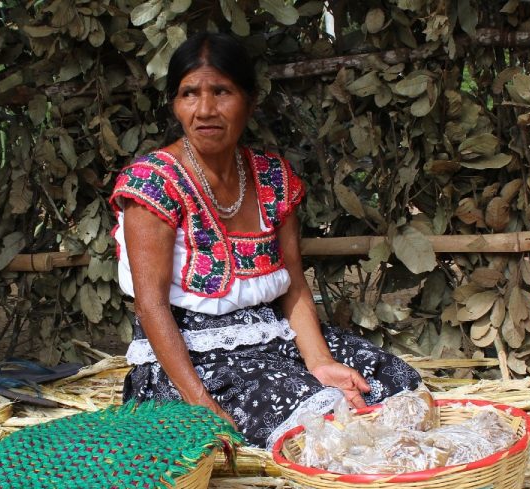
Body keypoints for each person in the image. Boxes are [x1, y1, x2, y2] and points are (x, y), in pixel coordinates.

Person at [109, 31, 422, 450]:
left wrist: (320, 361)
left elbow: (293, 285)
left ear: (249, 101)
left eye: (222, 91)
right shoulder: (152, 184)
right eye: (189, 94)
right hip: (191, 360)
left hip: (274, 335)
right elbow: (151, 306)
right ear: (174, 104)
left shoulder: (273, 178)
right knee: (325, 421)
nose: (205, 110)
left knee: (388, 384)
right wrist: (201, 404)